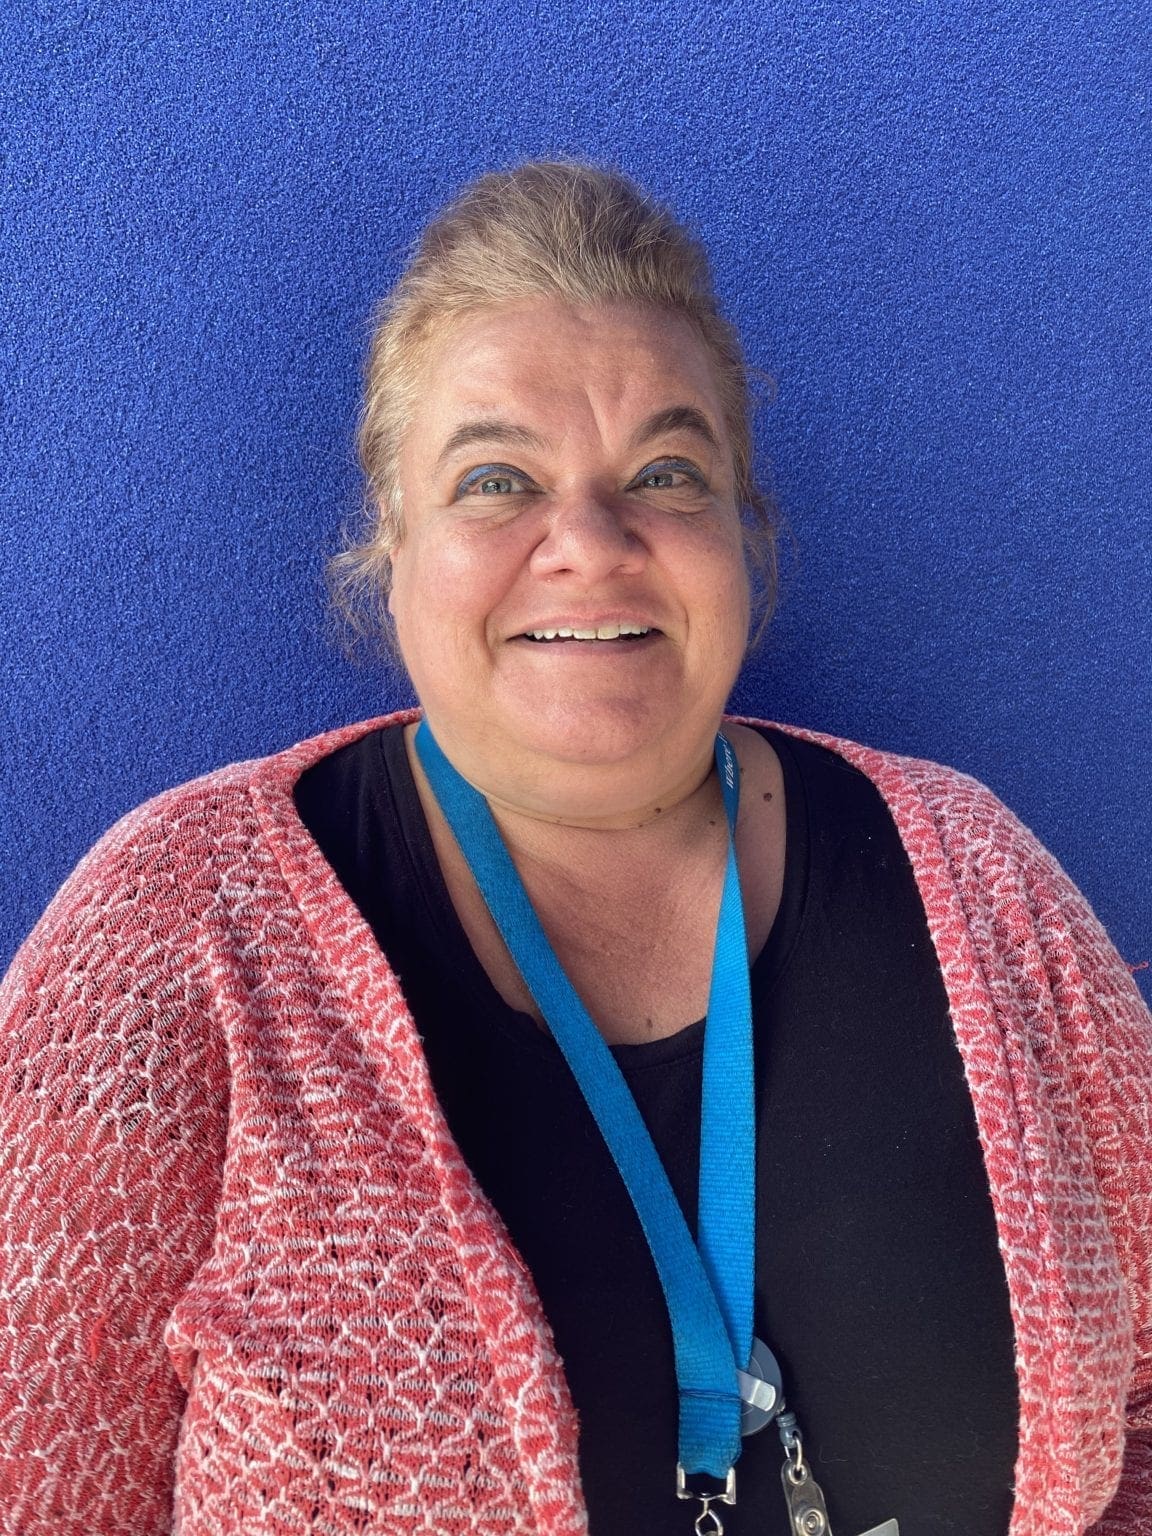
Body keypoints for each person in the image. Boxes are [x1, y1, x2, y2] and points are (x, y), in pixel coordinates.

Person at [0, 161, 1149, 1536]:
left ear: (742, 533)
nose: (593, 544)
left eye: (667, 473)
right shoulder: (175, 933)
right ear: (392, 547)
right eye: (496, 479)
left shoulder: (980, 876)